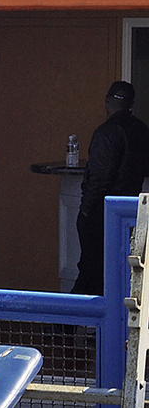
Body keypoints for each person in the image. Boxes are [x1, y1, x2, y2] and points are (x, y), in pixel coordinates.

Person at [73, 80, 149, 294]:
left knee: (90, 268)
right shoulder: (141, 130)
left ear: (107, 101)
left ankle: (68, 326)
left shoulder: (107, 132)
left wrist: (86, 209)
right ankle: (103, 326)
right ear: (131, 104)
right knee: (117, 269)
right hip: (128, 212)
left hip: (100, 212)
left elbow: (99, 177)